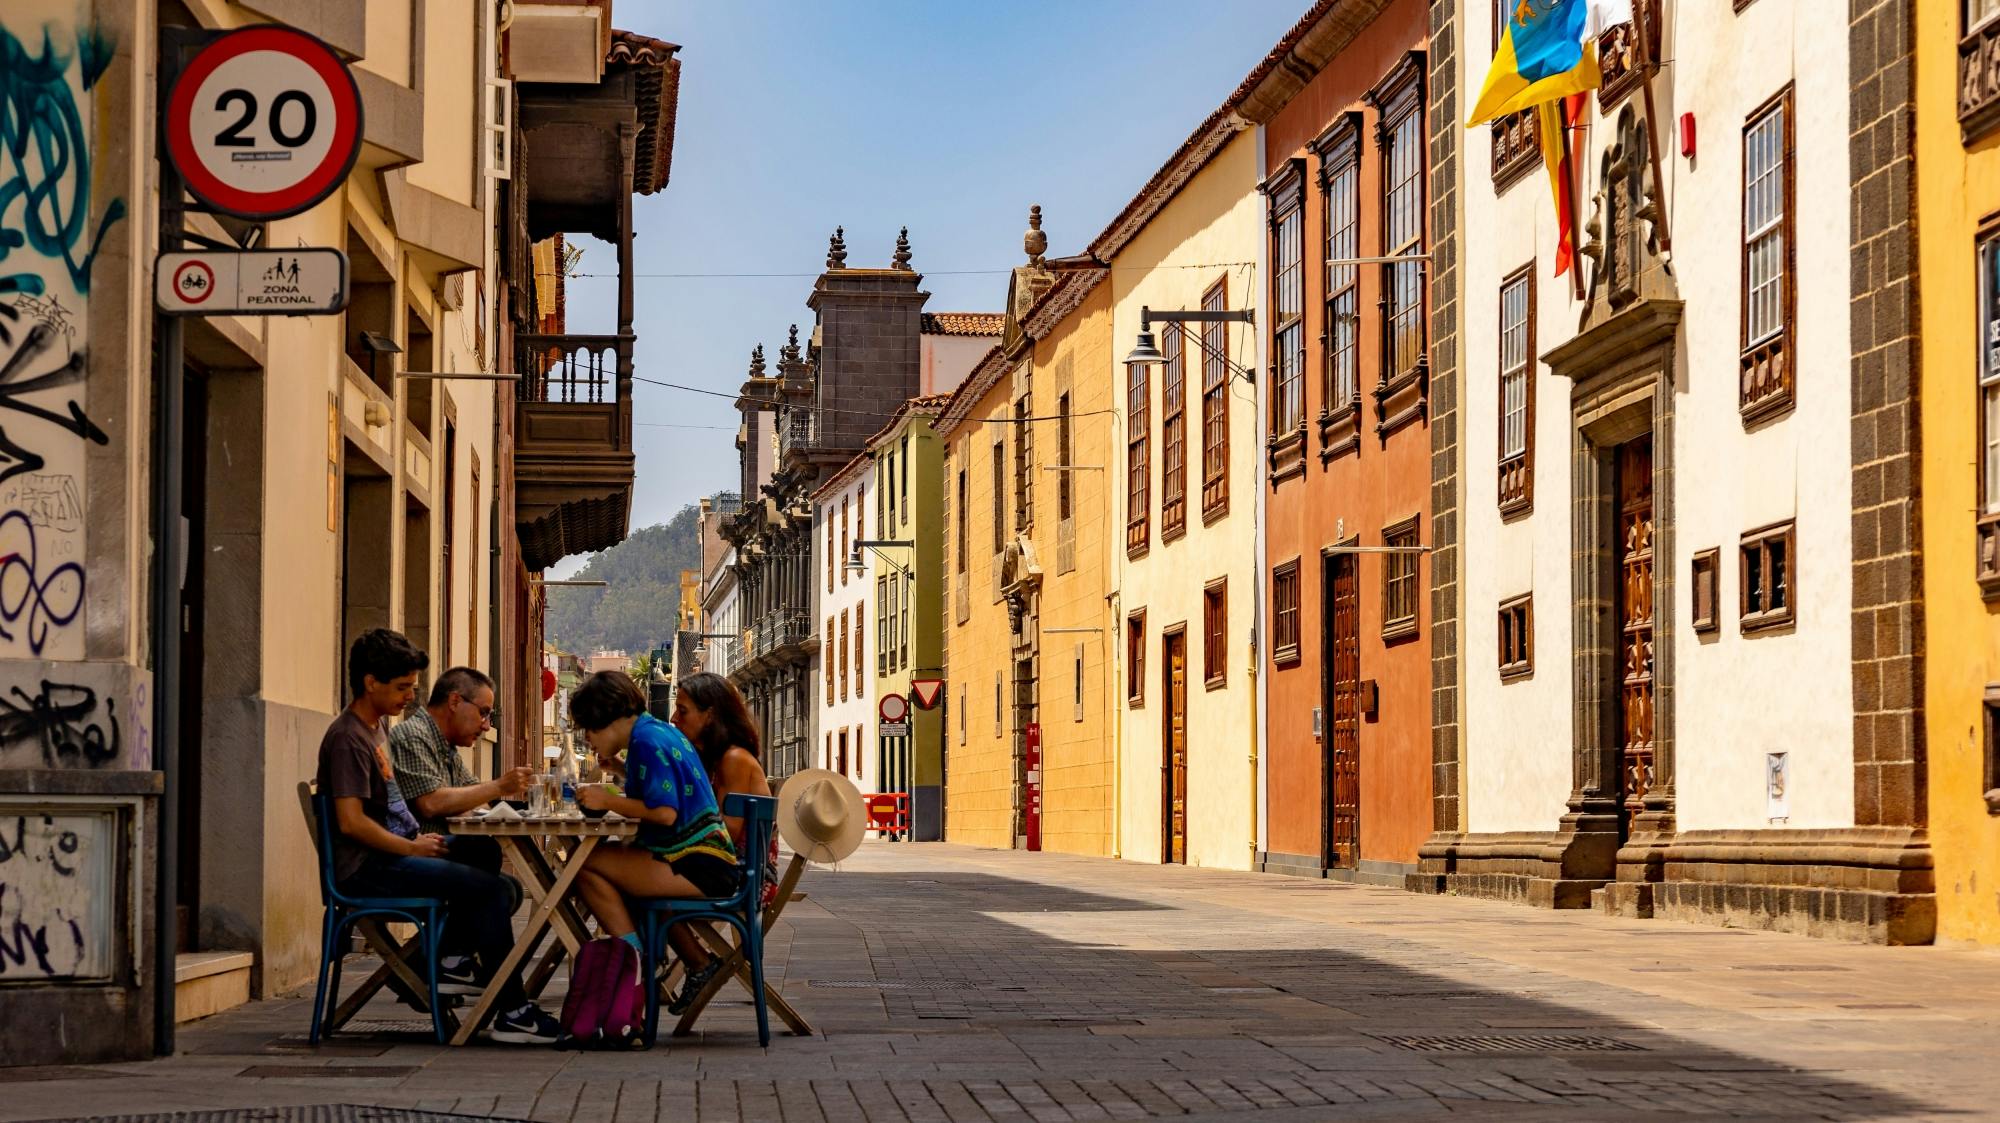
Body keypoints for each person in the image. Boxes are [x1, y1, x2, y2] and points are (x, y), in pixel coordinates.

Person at [315, 629, 560, 1045]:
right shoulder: (348, 739)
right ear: (370, 682)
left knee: (487, 863)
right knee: (491, 891)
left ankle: (453, 963)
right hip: (366, 869)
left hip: (389, 855)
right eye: (402, 688)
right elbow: (352, 824)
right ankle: (511, 1008)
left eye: (412, 687)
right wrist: (412, 847)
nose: (409, 697)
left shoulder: (372, 730)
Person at [569, 671, 738, 1010]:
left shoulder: (645, 742)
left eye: (588, 729)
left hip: (697, 863)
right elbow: (660, 789)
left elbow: (665, 813)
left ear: (608, 719)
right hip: (709, 860)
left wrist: (607, 800)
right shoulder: (656, 732)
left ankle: (633, 961)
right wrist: (620, 770)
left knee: (582, 864)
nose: (587, 739)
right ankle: (696, 963)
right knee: (615, 872)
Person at [664, 672, 778, 1013]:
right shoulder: (716, 759)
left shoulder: (733, 760)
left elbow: (724, 834)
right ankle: (684, 967)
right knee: (642, 876)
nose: (673, 719)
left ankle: (696, 965)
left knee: (644, 886)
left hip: (743, 876)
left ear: (710, 715)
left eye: (682, 711)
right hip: (728, 867)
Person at [388, 666, 534, 875]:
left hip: (437, 847)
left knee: (500, 874)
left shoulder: (446, 746)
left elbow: (476, 797)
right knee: (495, 877)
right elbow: (430, 803)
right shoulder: (412, 736)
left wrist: (465, 801)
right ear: (455, 701)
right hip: (417, 849)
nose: (485, 726)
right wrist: (499, 786)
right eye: (483, 713)